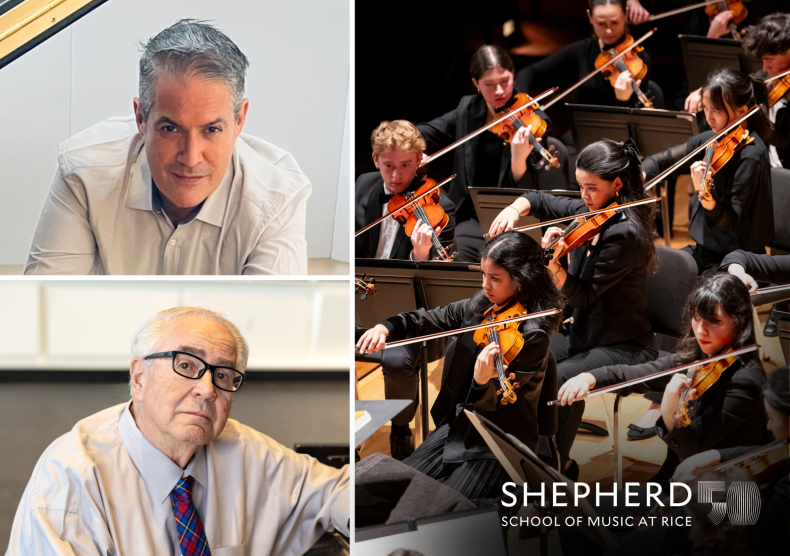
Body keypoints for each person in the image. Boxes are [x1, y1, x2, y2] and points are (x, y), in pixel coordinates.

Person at [6, 307, 349, 555]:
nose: (207, 389)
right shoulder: (70, 479)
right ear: (139, 378)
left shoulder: (246, 450)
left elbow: (337, 490)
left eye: (223, 375)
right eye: (186, 365)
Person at [25, 20, 311, 275]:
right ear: (140, 118)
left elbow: (272, 325)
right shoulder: (84, 171)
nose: (190, 157)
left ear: (239, 120)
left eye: (211, 130)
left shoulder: (278, 197)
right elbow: (43, 307)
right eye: (170, 129)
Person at [555, 273, 769, 555]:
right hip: (676, 484)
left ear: (739, 322)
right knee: (575, 519)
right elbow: (639, 373)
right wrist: (589, 378)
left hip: (722, 499)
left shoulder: (746, 380)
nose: (700, 330)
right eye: (696, 319)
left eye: (712, 322)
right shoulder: (700, 354)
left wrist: (669, 412)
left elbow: (696, 448)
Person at [488, 137, 658, 475]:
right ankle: (517, 452)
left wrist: (554, 268)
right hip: (584, 329)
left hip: (620, 342)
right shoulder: (590, 211)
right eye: (580, 186)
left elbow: (585, 296)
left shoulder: (626, 233)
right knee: (523, 354)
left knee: (560, 379)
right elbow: (540, 199)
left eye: (591, 188)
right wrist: (514, 209)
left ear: (617, 184)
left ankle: (556, 468)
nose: (583, 196)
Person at [356, 231, 563, 504]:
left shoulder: (532, 334)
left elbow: (502, 405)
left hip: (497, 442)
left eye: (495, 278)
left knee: (443, 507)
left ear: (522, 282)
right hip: (459, 424)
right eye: (483, 275)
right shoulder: (482, 306)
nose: (485, 285)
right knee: (390, 496)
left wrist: (481, 383)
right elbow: (428, 319)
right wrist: (386, 327)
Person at [355, 119, 457, 459]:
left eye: (405, 166)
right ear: (375, 161)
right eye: (388, 166)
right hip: (360, 301)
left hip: (405, 316)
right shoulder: (363, 187)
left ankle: (400, 430)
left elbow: (439, 287)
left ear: (420, 162)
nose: (396, 176)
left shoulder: (442, 207)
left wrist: (421, 254)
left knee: (398, 359)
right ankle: (349, 434)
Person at [417, 44, 563, 263]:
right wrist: (414, 149)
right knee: (460, 257)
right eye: (490, 84)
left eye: (505, 81)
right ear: (476, 83)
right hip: (470, 215)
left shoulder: (533, 117)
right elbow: (426, 131)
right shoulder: (468, 109)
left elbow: (531, 192)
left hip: (513, 214)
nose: (499, 91)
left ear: (513, 74)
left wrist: (518, 160)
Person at [643, 68, 774, 275]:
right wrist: (641, 174)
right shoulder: (712, 140)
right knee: (652, 273)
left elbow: (728, 223)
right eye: (706, 108)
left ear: (742, 111)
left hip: (736, 258)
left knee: (691, 301)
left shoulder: (750, 155)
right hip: (706, 251)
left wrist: (704, 194)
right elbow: (663, 161)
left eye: (717, 111)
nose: (708, 118)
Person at [685, 12, 790, 170]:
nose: (765, 67)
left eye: (770, 60)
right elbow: (748, 81)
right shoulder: (767, 76)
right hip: (763, 170)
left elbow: (785, 139)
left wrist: (755, 123)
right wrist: (712, 90)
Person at [515, 0, 653, 111]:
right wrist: (523, 103)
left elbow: (634, 122)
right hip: (581, 132)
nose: (609, 30)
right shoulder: (582, 50)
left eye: (615, 22)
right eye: (601, 23)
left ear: (626, 14)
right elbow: (529, 71)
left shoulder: (639, 59)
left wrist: (622, 99)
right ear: (590, 17)